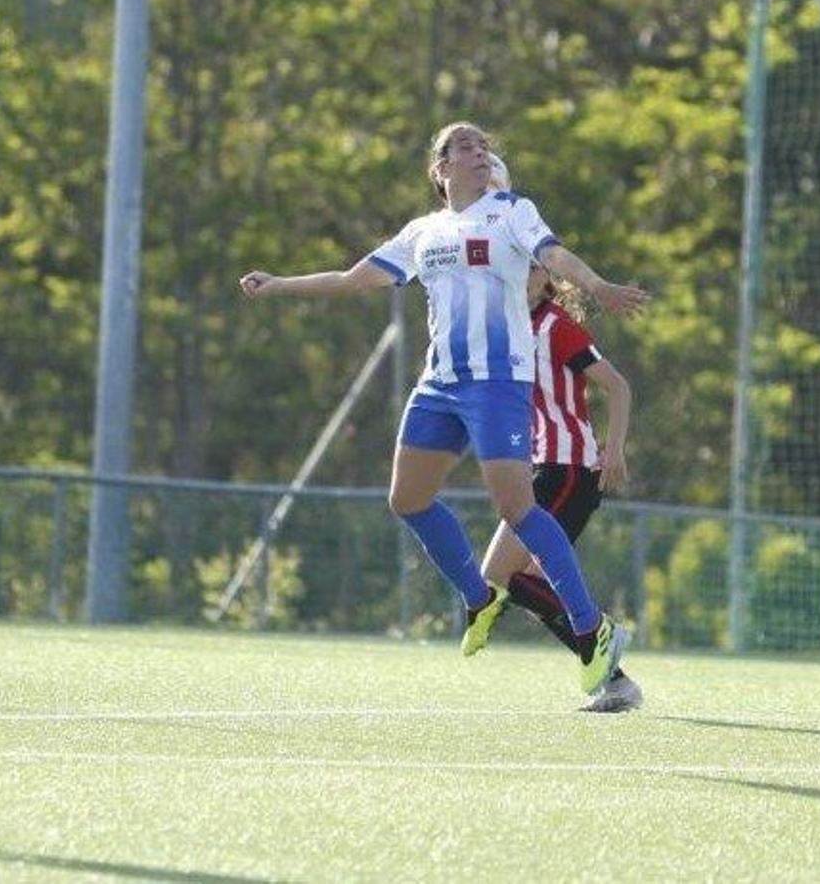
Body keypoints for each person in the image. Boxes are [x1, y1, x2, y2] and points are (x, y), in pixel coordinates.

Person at [238, 121, 650, 695]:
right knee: (407, 498)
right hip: (440, 384)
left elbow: (556, 255)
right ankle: (479, 598)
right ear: (440, 169)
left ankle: (591, 631)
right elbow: (353, 279)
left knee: (517, 508)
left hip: (497, 381)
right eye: (465, 147)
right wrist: (279, 284)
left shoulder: (512, 211)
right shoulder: (422, 232)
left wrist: (598, 284)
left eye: (484, 146)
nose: (479, 152)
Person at [480, 260, 645, 712]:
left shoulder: (556, 326)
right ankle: (615, 679)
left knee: (507, 579)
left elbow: (619, 388)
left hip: (569, 468)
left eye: (532, 267)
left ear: (547, 280)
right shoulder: (508, 328)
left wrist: (613, 448)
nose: (522, 273)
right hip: (539, 469)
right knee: (509, 581)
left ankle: (604, 646)